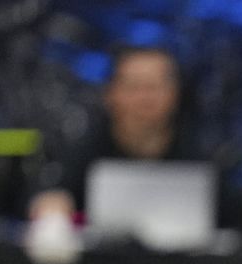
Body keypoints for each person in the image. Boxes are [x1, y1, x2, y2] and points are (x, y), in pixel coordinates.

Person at [31, 46, 208, 222]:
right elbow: (45, 195)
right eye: (133, 87)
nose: (144, 98)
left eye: (154, 87)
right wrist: (50, 206)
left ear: (175, 94)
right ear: (110, 93)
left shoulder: (201, 154)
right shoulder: (82, 149)